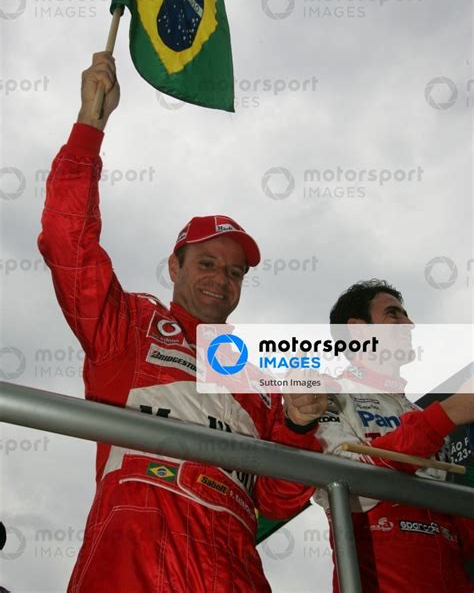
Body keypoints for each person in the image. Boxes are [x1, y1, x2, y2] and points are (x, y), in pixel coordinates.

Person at [38, 52, 327, 593]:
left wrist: (300, 427)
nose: (222, 279)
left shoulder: (259, 372)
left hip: (236, 564)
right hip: (136, 553)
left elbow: (275, 498)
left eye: (236, 272)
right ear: (175, 266)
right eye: (208, 263)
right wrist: (88, 128)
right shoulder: (132, 325)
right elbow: (66, 244)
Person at [313, 279, 474, 593]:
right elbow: (341, 471)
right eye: (394, 315)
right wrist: (448, 413)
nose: (410, 324)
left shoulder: (416, 412)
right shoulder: (324, 392)